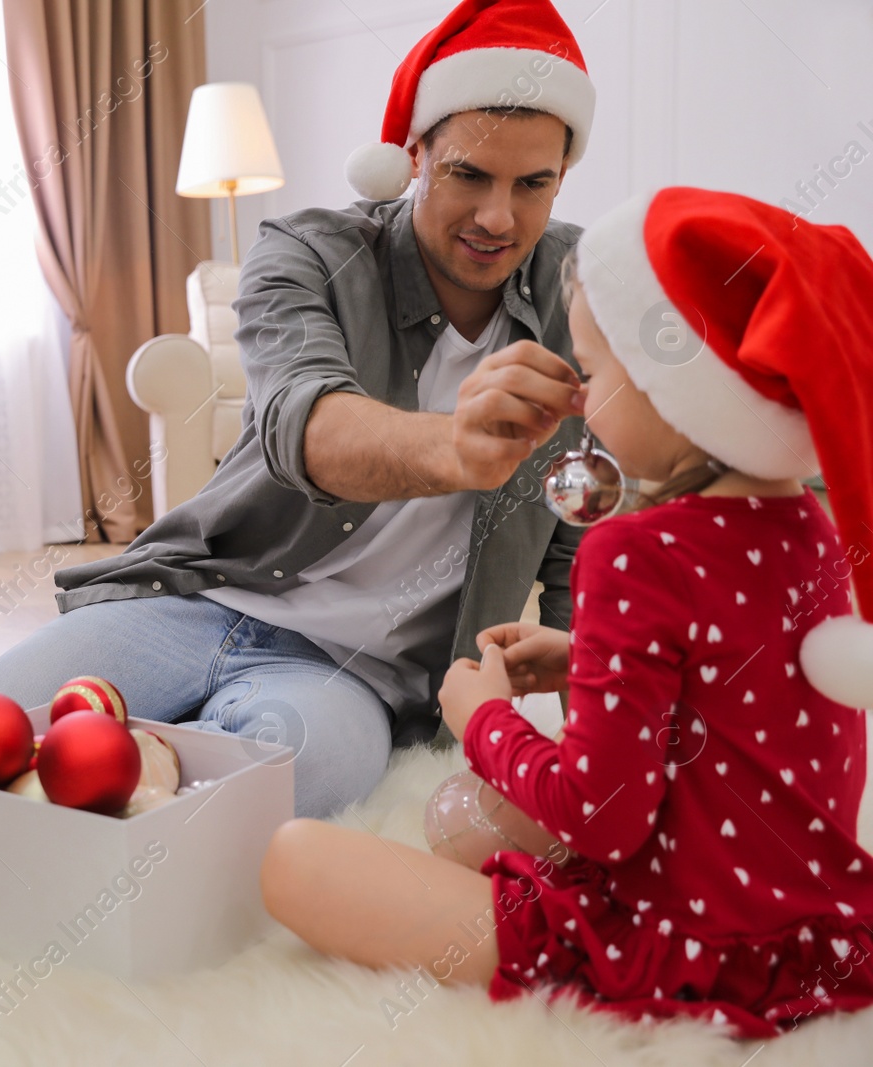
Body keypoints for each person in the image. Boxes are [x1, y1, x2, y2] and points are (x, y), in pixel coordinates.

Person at [0, 0, 602, 834]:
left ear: (561, 177)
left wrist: (591, 726)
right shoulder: (309, 252)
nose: (499, 217)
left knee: (287, 790)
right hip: (202, 599)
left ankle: (126, 747)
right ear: (414, 155)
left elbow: (580, 536)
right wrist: (452, 446)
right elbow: (302, 428)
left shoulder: (580, 292)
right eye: (468, 175)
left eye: (532, 184)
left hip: (354, 675)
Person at [258, 185, 873, 1037]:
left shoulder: (637, 549)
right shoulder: (810, 525)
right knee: (458, 828)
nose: (580, 396)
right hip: (807, 929)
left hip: (670, 940)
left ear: (672, 389)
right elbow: (737, 690)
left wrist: (484, 719)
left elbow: (602, 818)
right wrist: (590, 653)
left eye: (595, 369)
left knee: (293, 860)